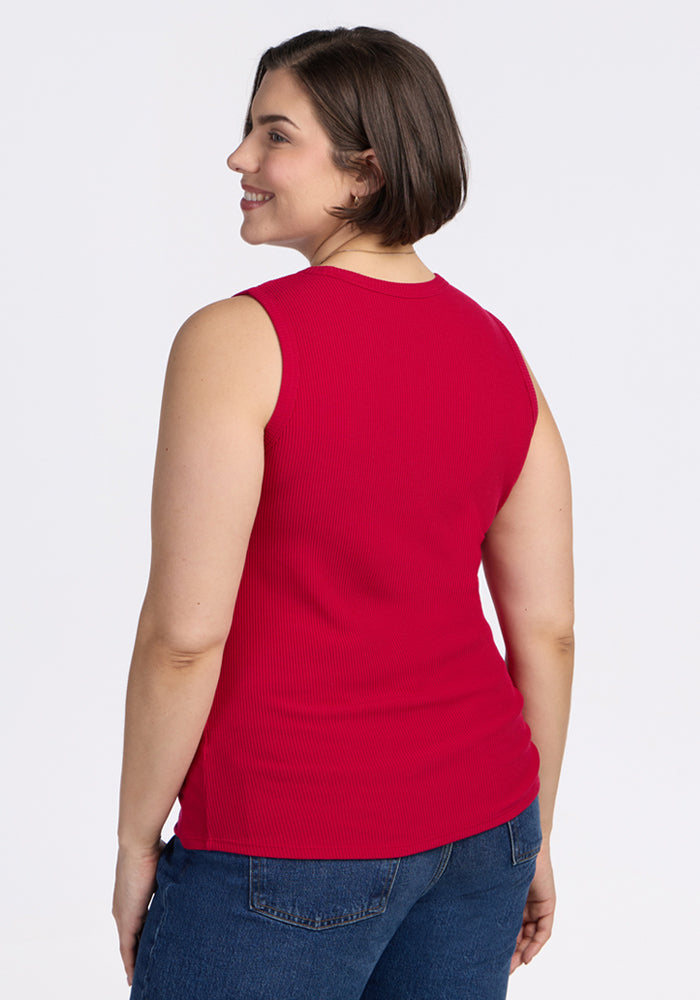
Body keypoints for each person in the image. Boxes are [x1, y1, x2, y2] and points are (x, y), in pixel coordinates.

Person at [112, 26, 574, 1000]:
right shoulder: (498, 353)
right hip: (480, 831)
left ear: (363, 170)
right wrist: (532, 826)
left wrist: (132, 836)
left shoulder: (237, 340)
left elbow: (185, 635)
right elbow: (547, 629)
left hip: (284, 840)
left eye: (274, 135)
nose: (240, 157)